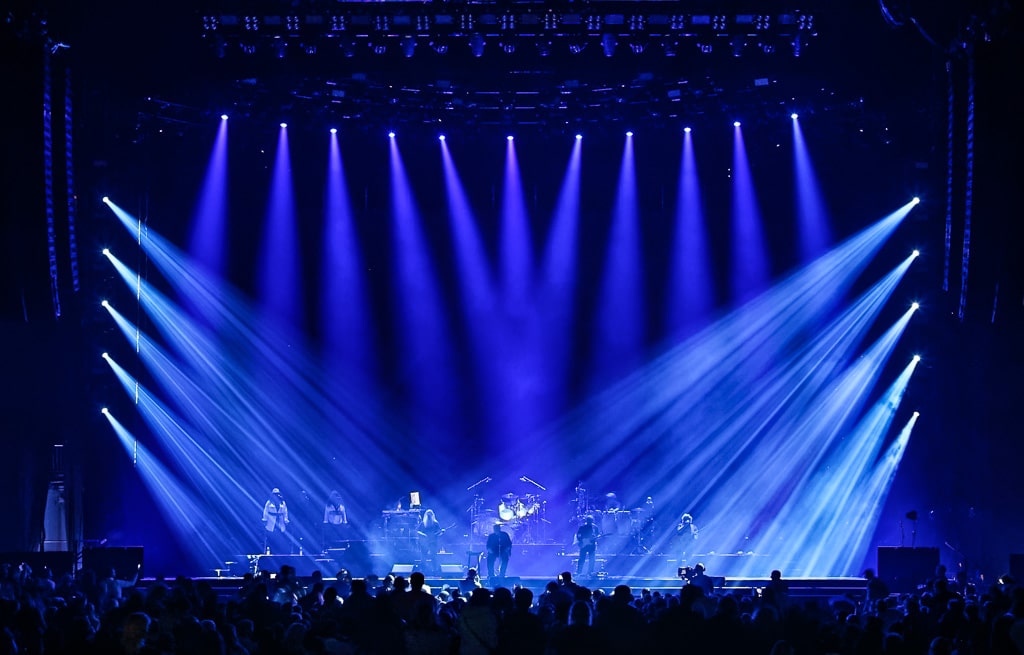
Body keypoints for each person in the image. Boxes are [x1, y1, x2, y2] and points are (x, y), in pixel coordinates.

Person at [262, 487, 289, 554]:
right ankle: (270, 552)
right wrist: (265, 519)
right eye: (275, 494)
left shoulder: (282, 503)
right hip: (271, 522)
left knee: (280, 540)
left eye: (277, 494)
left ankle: (279, 553)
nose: (276, 496)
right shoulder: (269, 503)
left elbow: (285, 512)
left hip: (280, 523)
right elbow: (265, 512)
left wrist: (286, 520)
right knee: (271, 540)